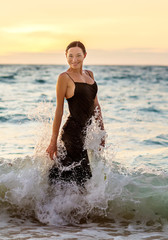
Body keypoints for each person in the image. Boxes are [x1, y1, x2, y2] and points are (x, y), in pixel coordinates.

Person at [46, 41, 104, 187]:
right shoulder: (64, 77)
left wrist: (102, 131)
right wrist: (53, 142)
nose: (74, 59)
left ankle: (55, 207)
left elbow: (96, 105)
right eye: (70, 56)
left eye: (78, 55)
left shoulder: (90, 74)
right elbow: (59, 110)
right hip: (71, 135)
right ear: (66, 57)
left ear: (84, 56)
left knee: (71, 177)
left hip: (82, 135)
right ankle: (53, 207)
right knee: (80, 178)